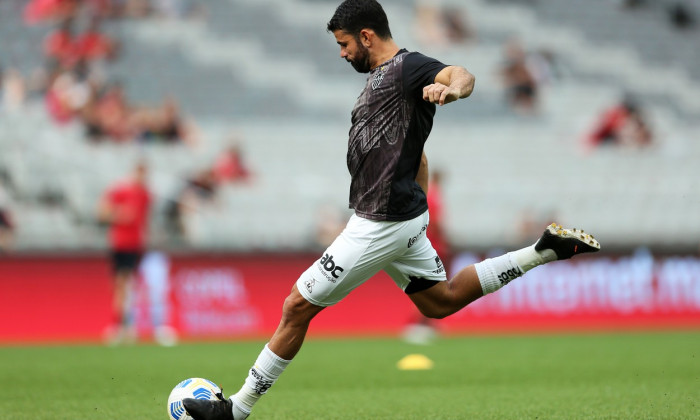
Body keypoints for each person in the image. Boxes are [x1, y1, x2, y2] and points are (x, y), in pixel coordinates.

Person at [183, 1, 600, 419]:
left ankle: (235, 411)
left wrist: (452, 89)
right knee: (440, 302)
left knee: (296, 306)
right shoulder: (380, 82)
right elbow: (416, 155)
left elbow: (462, 74)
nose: (342, 53)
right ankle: (544, 250)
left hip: (381, 222)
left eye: (344, 44)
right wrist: (417, 209)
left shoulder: (408, 68)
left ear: (366, 36)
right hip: (399, 217)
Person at [98, 161, 152, 345]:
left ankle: (126, 326)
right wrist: (119, 214)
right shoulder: (121, 191)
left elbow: (144, 219)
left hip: (135, 245)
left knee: (128, 286)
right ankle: (121, 325)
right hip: (120, 244)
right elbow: (102, 213)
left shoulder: (145, 195)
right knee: (120, 286)